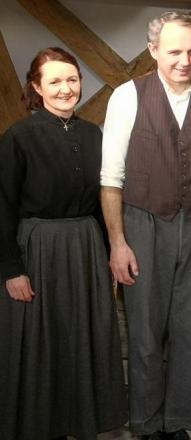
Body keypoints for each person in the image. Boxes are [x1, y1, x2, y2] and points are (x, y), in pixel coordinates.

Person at [100, 12, 191, 439]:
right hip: (142, 224)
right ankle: (145, 423)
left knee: (188, 332)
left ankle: (178, 422)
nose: (185, 60)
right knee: (144, 332)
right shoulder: (127, 95)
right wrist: (118, 243)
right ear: (154, 51)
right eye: (175, 51)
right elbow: (111, 178)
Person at [0, 47, 127, 440]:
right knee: (42, 341)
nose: (65, 88)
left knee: (82, 338)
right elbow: (1, 205)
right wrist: (12, 269)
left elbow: (106, 197)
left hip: (85, 248)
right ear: (36, 88)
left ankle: (81, 422)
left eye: (71, 79)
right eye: (54, 81)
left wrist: (109, 254)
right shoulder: (18, 137)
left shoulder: (93, 134)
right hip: (37, 250)